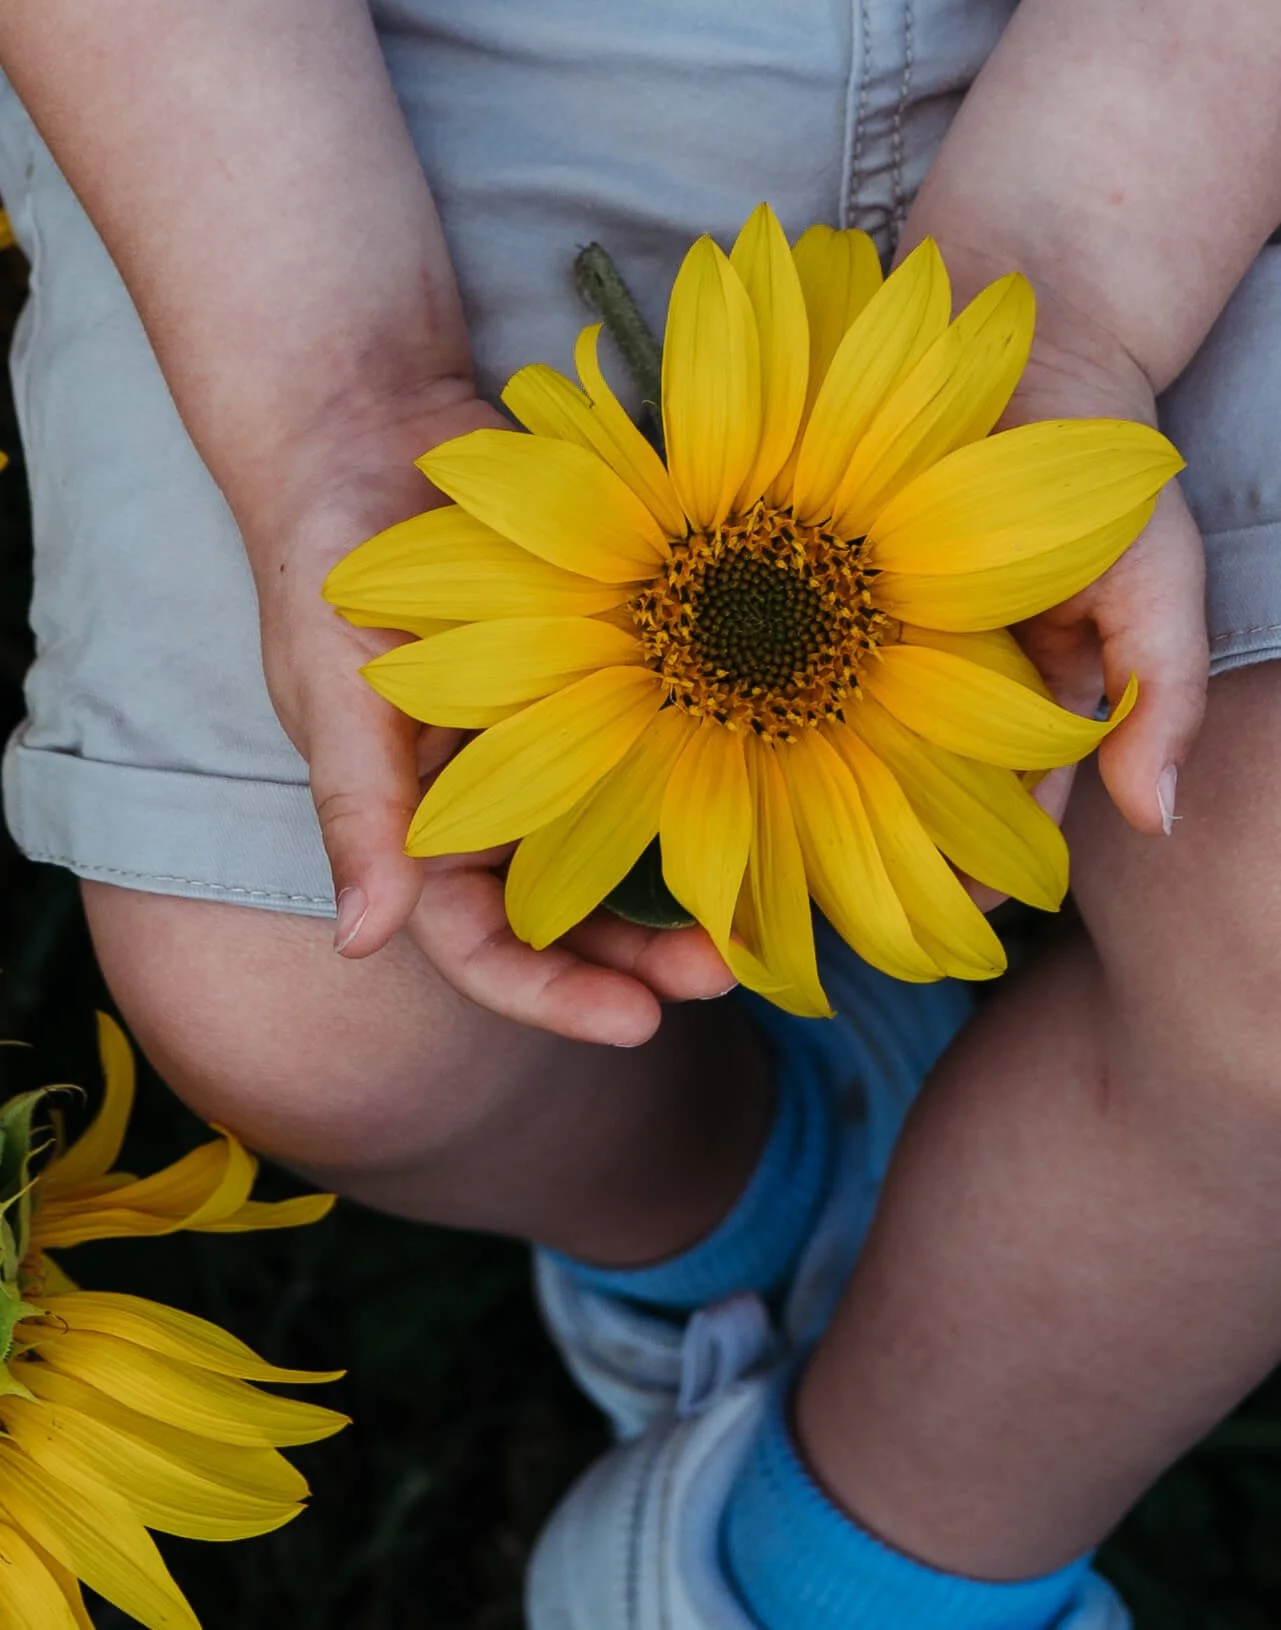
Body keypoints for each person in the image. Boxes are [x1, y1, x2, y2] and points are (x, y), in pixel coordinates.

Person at [0, 2, 1279, 1625]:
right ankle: (757, 1201)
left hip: (1183, 104)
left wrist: (1080, 303)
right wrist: (331, 398)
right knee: (297, 995)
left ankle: (850, 1562)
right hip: (298, 131)